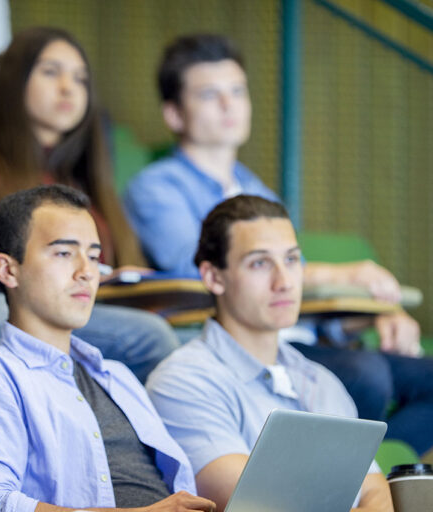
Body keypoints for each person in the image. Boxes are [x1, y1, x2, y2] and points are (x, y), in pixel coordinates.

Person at [124, 34, 433, 454]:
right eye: (210, 94)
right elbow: (187, 266)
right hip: (235, 344)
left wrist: (375, 313)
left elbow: (290, 283)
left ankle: (370, 466)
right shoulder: (156, 186)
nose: (229, 105)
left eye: (237, 91)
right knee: (367, 373)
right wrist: (349, 274)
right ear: (175, 114)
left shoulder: (255, 187)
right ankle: (344, 469)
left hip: (295, 335)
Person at [0, 185, 215, 512]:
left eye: (93, 256)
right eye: (64, 253)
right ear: (8, 269)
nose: (87, 272)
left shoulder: (117, 375)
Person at [146, 195, 393, 511]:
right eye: (259, 263)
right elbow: (254, 503)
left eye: (291, 260)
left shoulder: (322, 381)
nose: (284, 282)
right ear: (213, 276)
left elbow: (375, 489)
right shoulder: (182, 380)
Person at [0, 27, 180, 380]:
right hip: (27, 313)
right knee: (153, 339)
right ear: (15, 80)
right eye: (50, 72)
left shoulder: (85, 176)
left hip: (95, 307)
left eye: (80, 78)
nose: (68, 88)